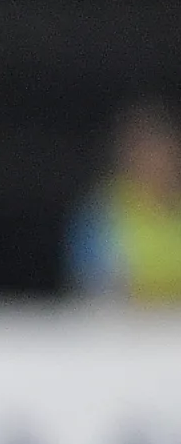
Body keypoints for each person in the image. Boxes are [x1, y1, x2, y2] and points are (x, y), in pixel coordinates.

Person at [64, 101, 181, 304]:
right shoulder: (102, 212)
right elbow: (90, 288)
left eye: (160, 151)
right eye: (143, 150)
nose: (154, 161)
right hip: (125, 321)